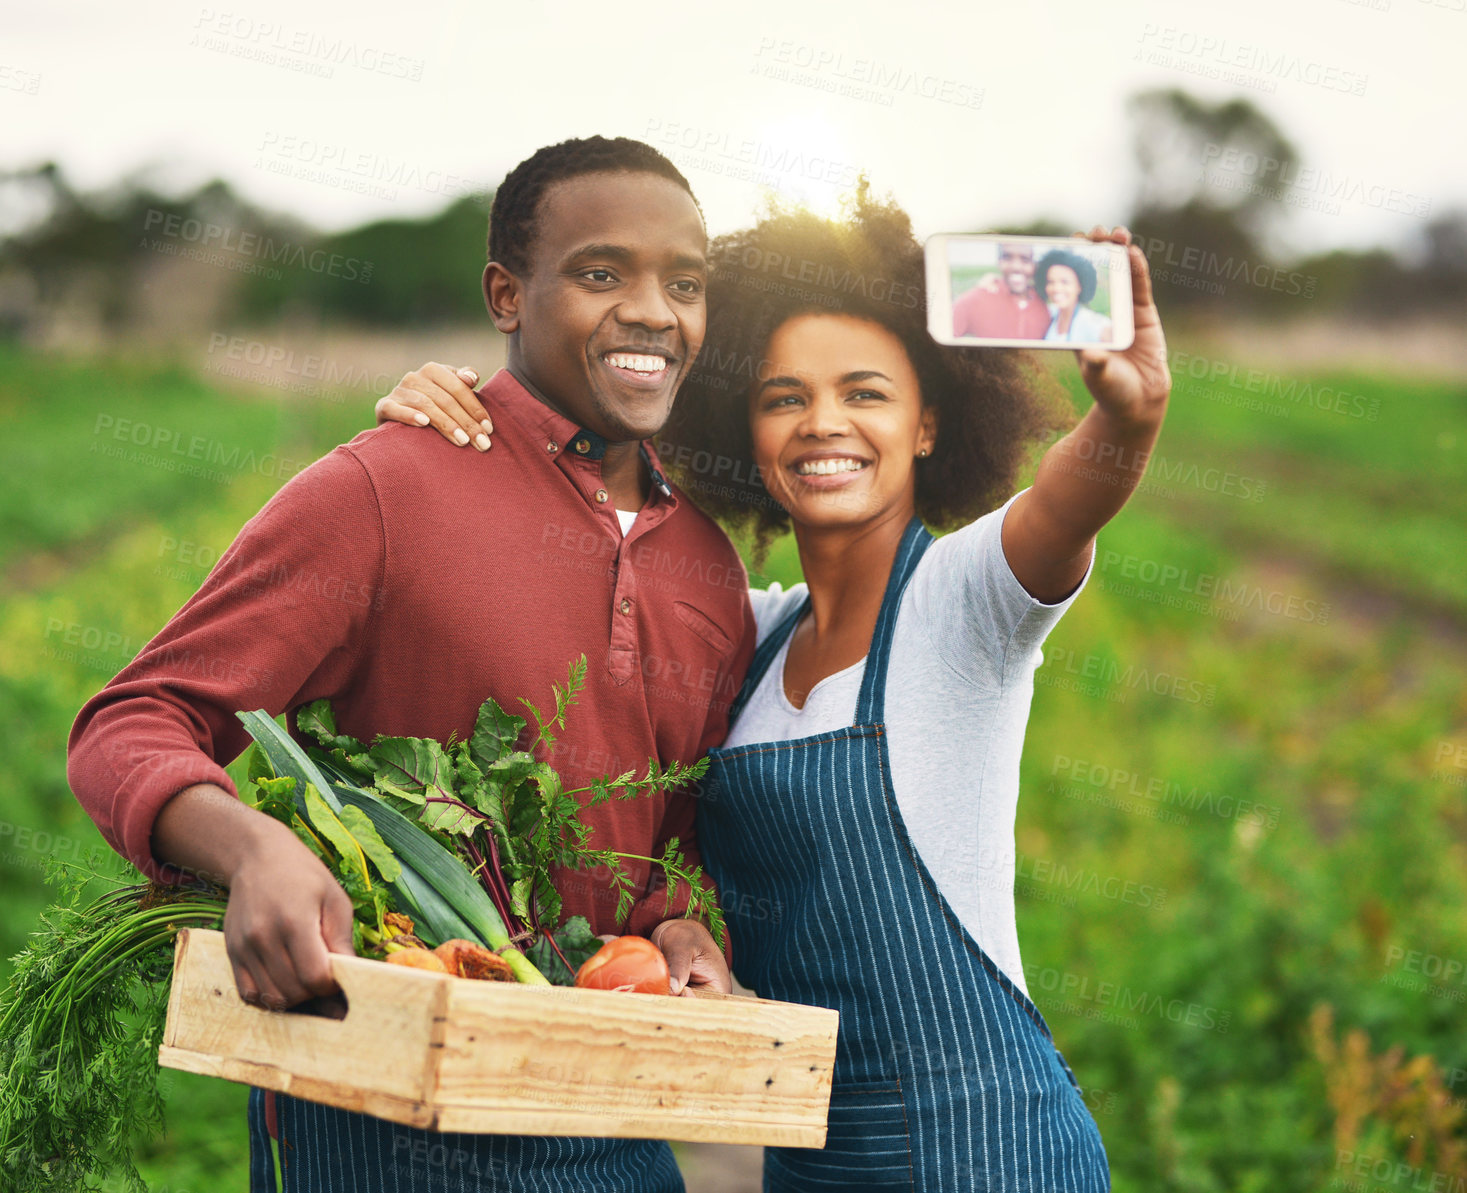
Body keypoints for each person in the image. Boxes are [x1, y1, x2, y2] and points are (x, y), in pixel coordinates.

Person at [376, 191, 1172, 1191]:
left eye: (864, 393)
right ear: (743, 431)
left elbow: (1069, 503)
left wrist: (1125, 417)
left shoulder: (963, 602)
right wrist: (456, 423)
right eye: (783, 396)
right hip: (806, 1151)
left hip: (990, 1147)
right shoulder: (740, 630)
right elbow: (544, 566)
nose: (821, 423)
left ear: (926, 425)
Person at [66, 136, 756, 1193]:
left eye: (686, 282)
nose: (655, 311)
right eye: (601, 273)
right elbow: (133, 720)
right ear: (505, 294)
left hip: (614, 1118)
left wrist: (677, 919)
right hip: (379, 1108)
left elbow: (670, 840)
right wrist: (250, 849)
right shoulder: (383, 491)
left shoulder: (708, 567)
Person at [951, 238, 1050, 338]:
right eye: (1007, 258)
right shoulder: (974, 300)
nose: (1016, 267)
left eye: (1025, 259)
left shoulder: (1044, 306)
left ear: (1034, 265)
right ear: (999, 262)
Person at [1039, 247, 1114, 343]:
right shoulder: (1049, 313)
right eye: (1051, 282)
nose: (1056, 288)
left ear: (1079, 286)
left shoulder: (1093, 323)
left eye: (1065, 282)